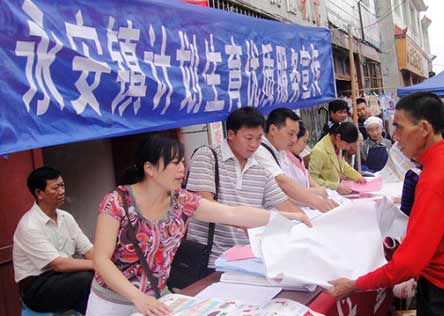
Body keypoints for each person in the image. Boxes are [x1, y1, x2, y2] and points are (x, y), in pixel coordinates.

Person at [88, 134, 311, 316]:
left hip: (156, 300)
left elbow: (231, 213)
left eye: (182, 162)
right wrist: (137, 297)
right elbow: (101, 260)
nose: (182, 169)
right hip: (111, 303)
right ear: (150, 168)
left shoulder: (181, 200)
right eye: (175, 163)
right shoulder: (117, 202)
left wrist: (284, 216)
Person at [328, 92, 444, 315]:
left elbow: (408, 264)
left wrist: (355, 285)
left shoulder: (436, 178)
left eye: (399, 127)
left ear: (424, 129)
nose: (395, 136)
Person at [186, 107, 299, 270]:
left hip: (247, 261)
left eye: (259, 138)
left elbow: (286, 207)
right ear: (231, 134)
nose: (254, 145)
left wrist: (304, 223)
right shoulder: (207, 156)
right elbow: (204, 205)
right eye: (248, 138)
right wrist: (244, 220)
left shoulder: (261, 170)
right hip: (210, 260)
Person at [13, 166, 94, 314]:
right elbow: (59, 264)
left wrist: (108, 264)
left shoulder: (66, 217)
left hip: (64, 279)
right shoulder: (29, 225)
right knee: (87, 278)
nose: (62, 191)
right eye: (55, 188)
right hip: (37, 288)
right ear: (39, 193)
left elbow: (88, 249)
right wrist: (98, 264)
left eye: (62, 185)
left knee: (103, 277)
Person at [254, 108, 338, 212]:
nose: (294, 140)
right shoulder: (259, 150)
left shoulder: (279, 151)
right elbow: (283, 182)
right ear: (273, 130)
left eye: (296, 135)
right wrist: (316, 202)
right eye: (290, 134)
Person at [309, 121, 366, 194]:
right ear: (338, 137)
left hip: (336, 193)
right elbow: (312, 179)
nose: (348, 148)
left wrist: (357, 176)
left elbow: (342, 165)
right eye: (347, 144)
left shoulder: (336, 145)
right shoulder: (319, 151)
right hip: (324, 194)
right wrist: (335, 186)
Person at [282, 120, 324, 192]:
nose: (305, 146)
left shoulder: (297, 158)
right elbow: (292, 192)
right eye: (304, 141)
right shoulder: (284, 162)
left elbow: (307, 177)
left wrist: (319, 188)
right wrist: (317, 191)